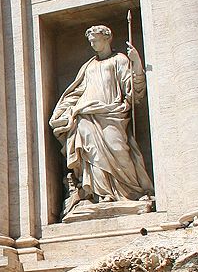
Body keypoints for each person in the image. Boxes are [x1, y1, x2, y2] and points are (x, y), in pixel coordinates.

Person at [49, 25, 154, 217]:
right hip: (86, 115)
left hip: (112, 113)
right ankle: (102, 194)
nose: (92, 44)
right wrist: (62, 111)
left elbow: (133, 90)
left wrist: (136, 63)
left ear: (107, 38)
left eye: (95, 39)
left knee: (118, 149)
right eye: (90, 41)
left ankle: (130, 192)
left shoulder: (120, 60)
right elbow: (77, 92)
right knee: (92, 154)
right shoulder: (88, 66)